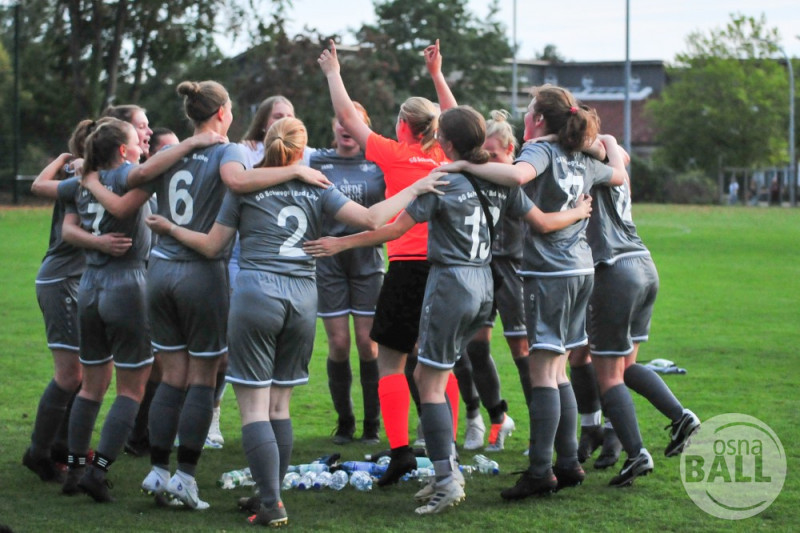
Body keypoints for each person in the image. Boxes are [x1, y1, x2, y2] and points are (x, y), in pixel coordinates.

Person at [146, 116, 444, 526]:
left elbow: (214, 245)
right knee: (280, 406)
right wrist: (415, 187)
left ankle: (270, 500)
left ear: (268, 143)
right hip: (303, 299)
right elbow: (376, 219)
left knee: (253, 408)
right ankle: (269, 493)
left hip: (256, 296)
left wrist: (169, 230)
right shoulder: (317, 185)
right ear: (303, 150)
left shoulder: (248, 184)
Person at [305, 106, 593, 514]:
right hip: (484, 284)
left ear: (447, 142)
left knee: (428, 382)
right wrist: (580, 212)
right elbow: (543, 222)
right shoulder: (501, 181)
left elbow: (393, 229)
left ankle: (446, 478)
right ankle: (452, 463)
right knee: (432, 372)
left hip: (451, 283)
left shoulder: (443, 181)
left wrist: (341, 243)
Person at [435, 85, 627, 501]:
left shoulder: (540, 150)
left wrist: (462, 167)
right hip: (581, 268)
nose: (525, 120)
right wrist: (606, 143)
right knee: (557, 371)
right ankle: (568, 461)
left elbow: (518, 176)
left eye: (528, 112)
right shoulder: (581, 154)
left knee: (544, 372)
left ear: (539, 119)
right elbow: (621, 174)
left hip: (550, 273)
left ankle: (541, 470)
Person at [86, 80, 245, 509]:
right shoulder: (229, 152)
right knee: (203, 378)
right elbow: (239, 184)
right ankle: (185, 478)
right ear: (222, 112)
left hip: (159, 270)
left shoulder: (166, 156)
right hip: (202, 272)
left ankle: (158, 471)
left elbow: (128, 193)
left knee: (172, 376)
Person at [316, 39, 460, 486]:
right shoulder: (443, 156)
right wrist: (438, 74)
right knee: (439, 363)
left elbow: (347, 118)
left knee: (392, 364)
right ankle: (446, 449)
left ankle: (400, 452)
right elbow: (459, 121)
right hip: (447, 270)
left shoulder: (393, 153)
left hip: (406, 269)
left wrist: (333, 72)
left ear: (402, 125)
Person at [61, 117, 223, 503]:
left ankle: (73, 467)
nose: (143, 146)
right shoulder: (128, 176)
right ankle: (97, 473)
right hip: (127, 284)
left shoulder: (85, 179)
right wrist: (190, 144)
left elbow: (55, 196)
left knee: (91, 386)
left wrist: (82, 172)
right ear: (123, 150)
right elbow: (143, 179)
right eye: (137, 141)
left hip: (89, 286)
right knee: (132, 389)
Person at [573, 146, 700, 486]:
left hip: (612, 272)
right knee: (626, 369)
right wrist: (606, 141)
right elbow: (621, 154)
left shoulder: (582, 167)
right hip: (643, 265)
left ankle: (636, 454)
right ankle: (680, 417)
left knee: (609, 376)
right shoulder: (612, 162)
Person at [24, 122, 132, 483]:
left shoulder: (97, 177)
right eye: (139, 129)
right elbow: (38, 187)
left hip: (82, 281)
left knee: (87, 374)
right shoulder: (87, 177)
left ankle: (64, 448)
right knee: (71, 375)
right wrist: (65, 160)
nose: (144, 135)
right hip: (61, 280)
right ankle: (39, 452)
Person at [310, 103, 386, 445]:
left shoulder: (378, 163)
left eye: (353, 122)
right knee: (339, 343)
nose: (346, 127)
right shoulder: (315, 161)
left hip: (366, 258)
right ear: (333, 126)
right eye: (340, 120)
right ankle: (345, 422)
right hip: (330, 259)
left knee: (368, 345)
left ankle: (373, 422)